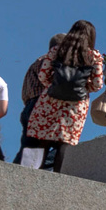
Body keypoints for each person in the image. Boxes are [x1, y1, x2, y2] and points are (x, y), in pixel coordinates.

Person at [21, 20, 103, 171]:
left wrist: (53, 86)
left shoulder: (56, 51)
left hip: (50, 99)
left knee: (41, 138)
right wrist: (84, 89)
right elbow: (98, 84)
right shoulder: (94, 55)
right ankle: (58, 180)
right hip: (76, 104)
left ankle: (29, 174)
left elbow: (43, 75)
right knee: (66, 142)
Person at [11, 34, 62, 166]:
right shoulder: (49, 62)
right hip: (43, 105)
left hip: (29, 106)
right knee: (36, 149)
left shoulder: (36, 62)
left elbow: (25, 93)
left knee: (29, 147)